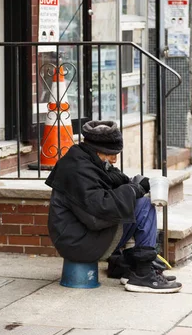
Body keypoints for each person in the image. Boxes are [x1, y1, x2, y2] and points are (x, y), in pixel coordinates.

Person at [45, 120, 182, 293]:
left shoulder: (88, 161)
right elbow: (99, 210)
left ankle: (135, 268)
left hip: (81, 233)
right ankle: (143, 274)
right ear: (95, 149)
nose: (115, 158)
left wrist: (137, 184)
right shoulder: (77, 169)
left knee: (138, 201)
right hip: (76, 241)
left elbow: (112, 184)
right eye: (110, 153)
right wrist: (132, 190)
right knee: (144, 206)